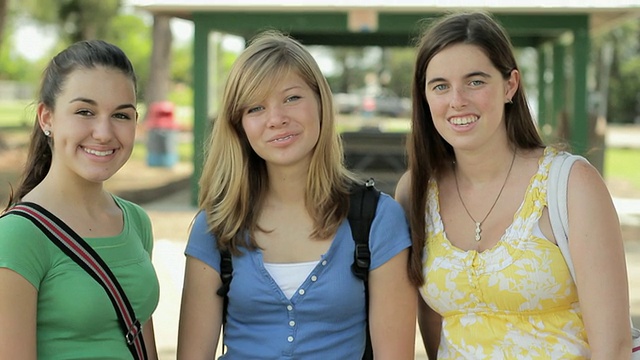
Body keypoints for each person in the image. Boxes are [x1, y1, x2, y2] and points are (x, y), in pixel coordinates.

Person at [395, 11, 632, 359]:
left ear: (510, 85)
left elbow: (614, 346)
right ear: (425, 96)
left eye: (475, 81)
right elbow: (434, 327)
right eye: (440, 85)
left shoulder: (570, 184)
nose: (457, 100)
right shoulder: (415, 191)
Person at [177, 30, 417, 359]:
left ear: (321, 102)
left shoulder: (377, 219)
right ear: (239, 126)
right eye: (256, 108)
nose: (277, 119)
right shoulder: (216, 226)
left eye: (292, 98)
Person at [0, 40, 159, 359]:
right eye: (85, 111)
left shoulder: (135, 221)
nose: (103, 132)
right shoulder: (17, 237)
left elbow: (139, 337)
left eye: (121, 115)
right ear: (47, 118)